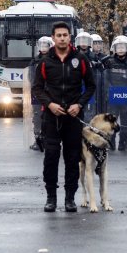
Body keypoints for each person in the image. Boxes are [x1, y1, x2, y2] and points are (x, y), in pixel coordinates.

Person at [32, 22, 96, 213]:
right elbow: (37, 88)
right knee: (51, 157)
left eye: (65, 35)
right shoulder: (44, 62)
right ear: (53, 38)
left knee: (72, 158)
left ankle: (70, 198)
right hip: (51, 118)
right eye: (58, 35)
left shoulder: (81, 59)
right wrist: (50, 104)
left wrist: (80, 104)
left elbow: (91, 86)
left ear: (70, 37)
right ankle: (51, 197)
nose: (62, 38)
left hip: (73, 117)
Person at [103, 35, 127, 150]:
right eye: (118, 47)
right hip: (113, 95)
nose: (121, 49)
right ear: (114, 48)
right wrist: (109, 90)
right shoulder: (109, 61)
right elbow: (105, 78)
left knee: (126, 121)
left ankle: (123, 143)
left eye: (123, 47)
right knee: (111, 121)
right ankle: (111, 143)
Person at [29, 36, 54, 151]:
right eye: (41, 45)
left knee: (51, 117)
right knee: (37, 116)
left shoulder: (55, 59)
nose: (43, 48)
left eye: (46, 45)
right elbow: (31, 77)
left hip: (51, 93)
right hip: (38, 92)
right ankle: (38, 140)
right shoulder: (34, 60)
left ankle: (51, 140)